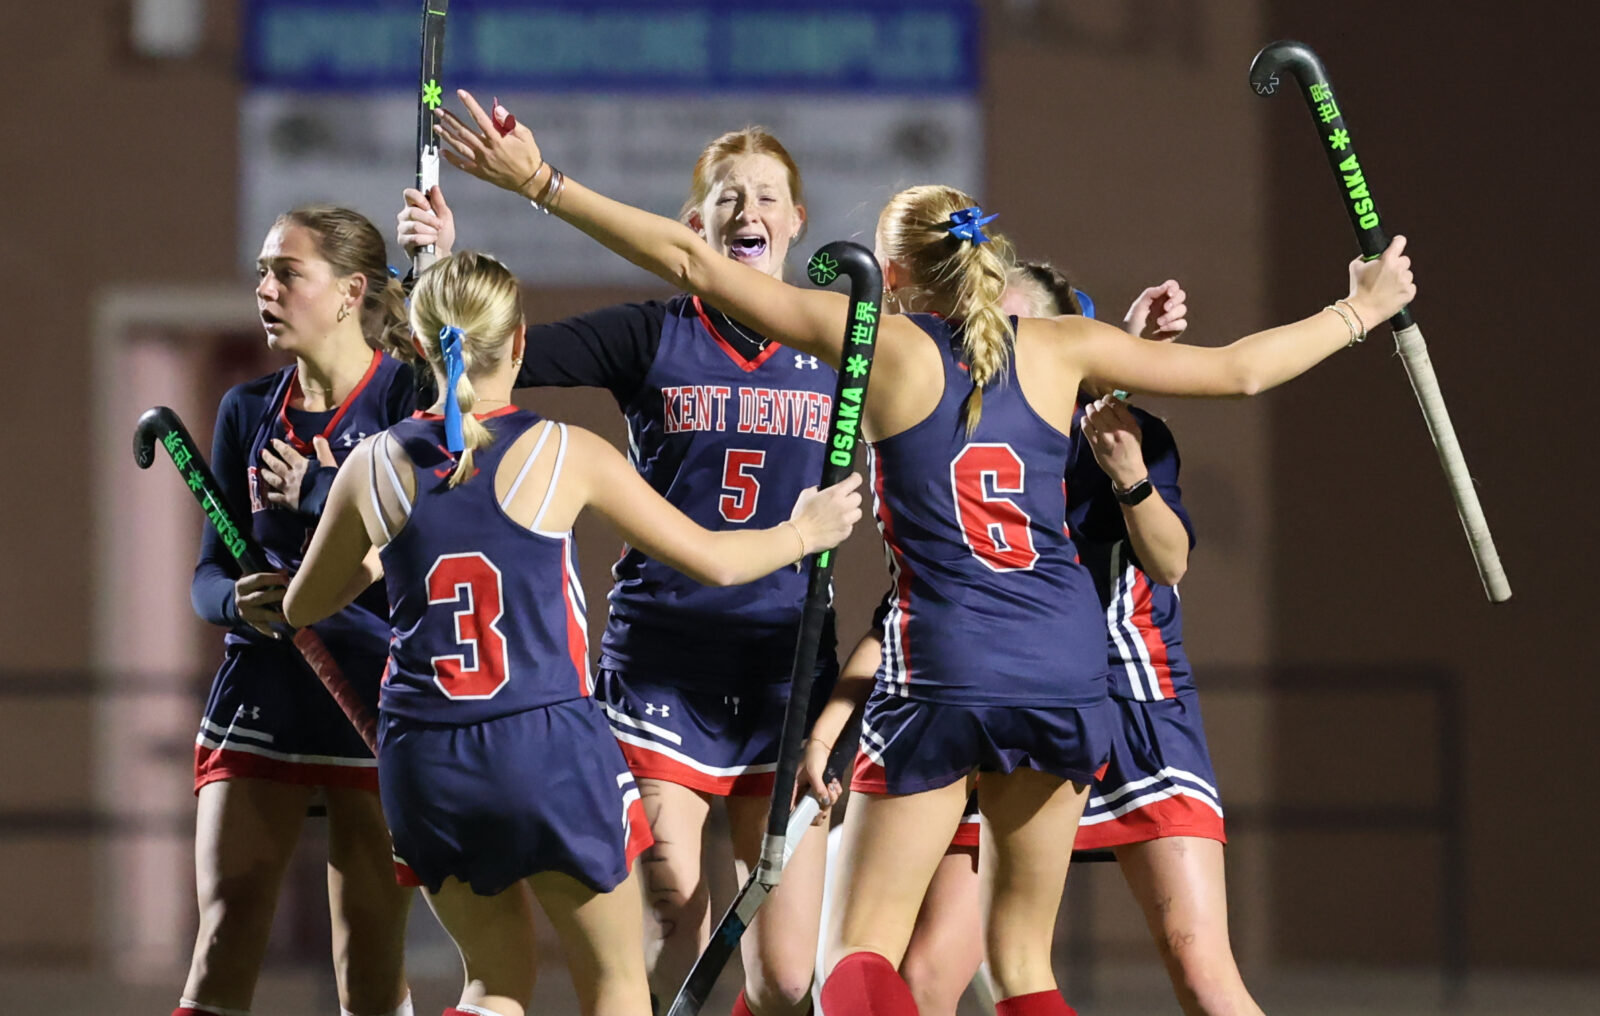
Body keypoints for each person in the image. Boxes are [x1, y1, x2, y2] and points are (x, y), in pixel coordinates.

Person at [433, 88, 1415, 1016]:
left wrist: (540, 182)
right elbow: (1239, 372)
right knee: (1020, 962)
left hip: (944, 669)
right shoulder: (1065, 345)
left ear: (892, 277)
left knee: (853, 956)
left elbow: (692, 265)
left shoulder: (881, 345)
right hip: (1067, 673)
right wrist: (1358, 313)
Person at [280, 250, 864, 1016]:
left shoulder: (371, 466)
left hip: (425, 754)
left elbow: (302, 606)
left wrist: (381, 550)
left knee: (493, 984)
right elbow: (718, 562)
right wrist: (802, 533)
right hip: (545, 745)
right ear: (520, 342)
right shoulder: (565, 452)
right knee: (616, 984)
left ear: (420, 346)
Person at [396, 128, 846, 1016]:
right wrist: (436, 276)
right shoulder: (652, 334)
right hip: (664, 663)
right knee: (669, 929)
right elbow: (491, 365)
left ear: (797, 221)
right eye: (728, 195)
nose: (748, 210)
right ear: (694, 224)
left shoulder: (842, 344)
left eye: (766, 196)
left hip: (784, 670)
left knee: (789, 979)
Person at [814, 263, 1264, 1016]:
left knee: (1199, 968)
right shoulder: (962, 429)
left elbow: (1171, 560)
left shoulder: (1120, 433)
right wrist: (829, 730)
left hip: (1128, 699)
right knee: (936, 972)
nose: (1001, 343)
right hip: (1006, 701)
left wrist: (1129, 466)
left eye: (1021, 327)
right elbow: (905, 609)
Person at [179, 207, 416, 1016]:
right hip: (266, 689)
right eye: (262, 273)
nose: (265, 290)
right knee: (225, 934)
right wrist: (235, 604)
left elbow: (421, 555)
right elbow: (209, 574)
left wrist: (321, 496)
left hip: (370, 692)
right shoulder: (247, 409)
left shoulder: (407, 398)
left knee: (370, 961)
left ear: (351, 292)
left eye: (287, 273)